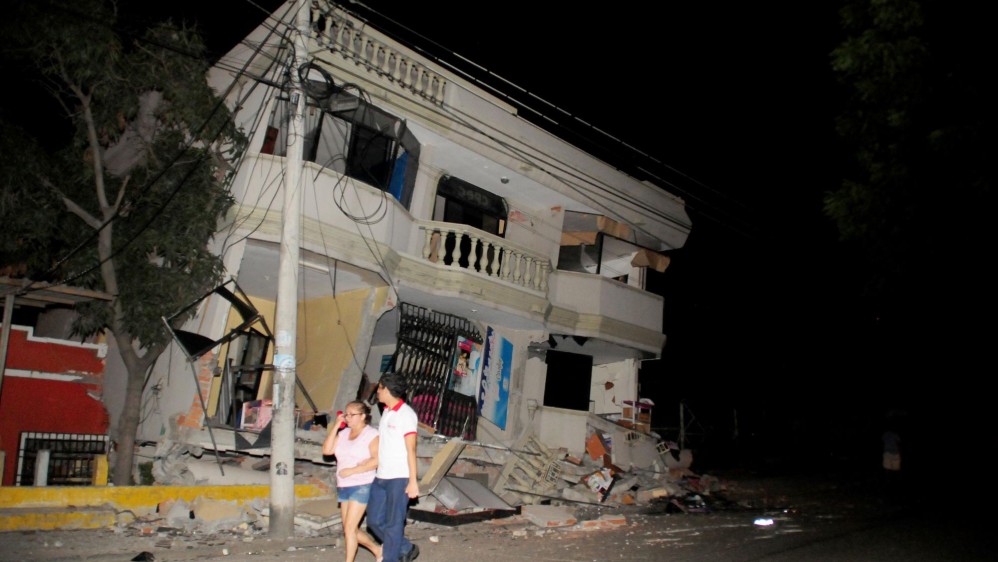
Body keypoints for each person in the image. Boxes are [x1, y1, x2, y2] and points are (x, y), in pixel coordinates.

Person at [366, 373, 420, 562]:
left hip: (399, 477)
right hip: (381, 475)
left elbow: (411, 448)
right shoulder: (387, 412)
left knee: (393, 524)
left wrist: (413, 481)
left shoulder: (406, 415)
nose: (377, 392)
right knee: (373, 520)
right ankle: (406, 547)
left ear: (387, 389)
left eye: (380, 388)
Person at [323, 401, 382, 562]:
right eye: (346, 414)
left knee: (349, 528)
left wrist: (353, 471)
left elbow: (377, 460)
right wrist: (336, 426)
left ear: (363, 416)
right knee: (350, 529)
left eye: (352, 414)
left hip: (362, 483)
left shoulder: (371, 435)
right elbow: (327, 450)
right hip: (344, 484)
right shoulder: (343, 434)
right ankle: (378, 550)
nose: (348, 417)